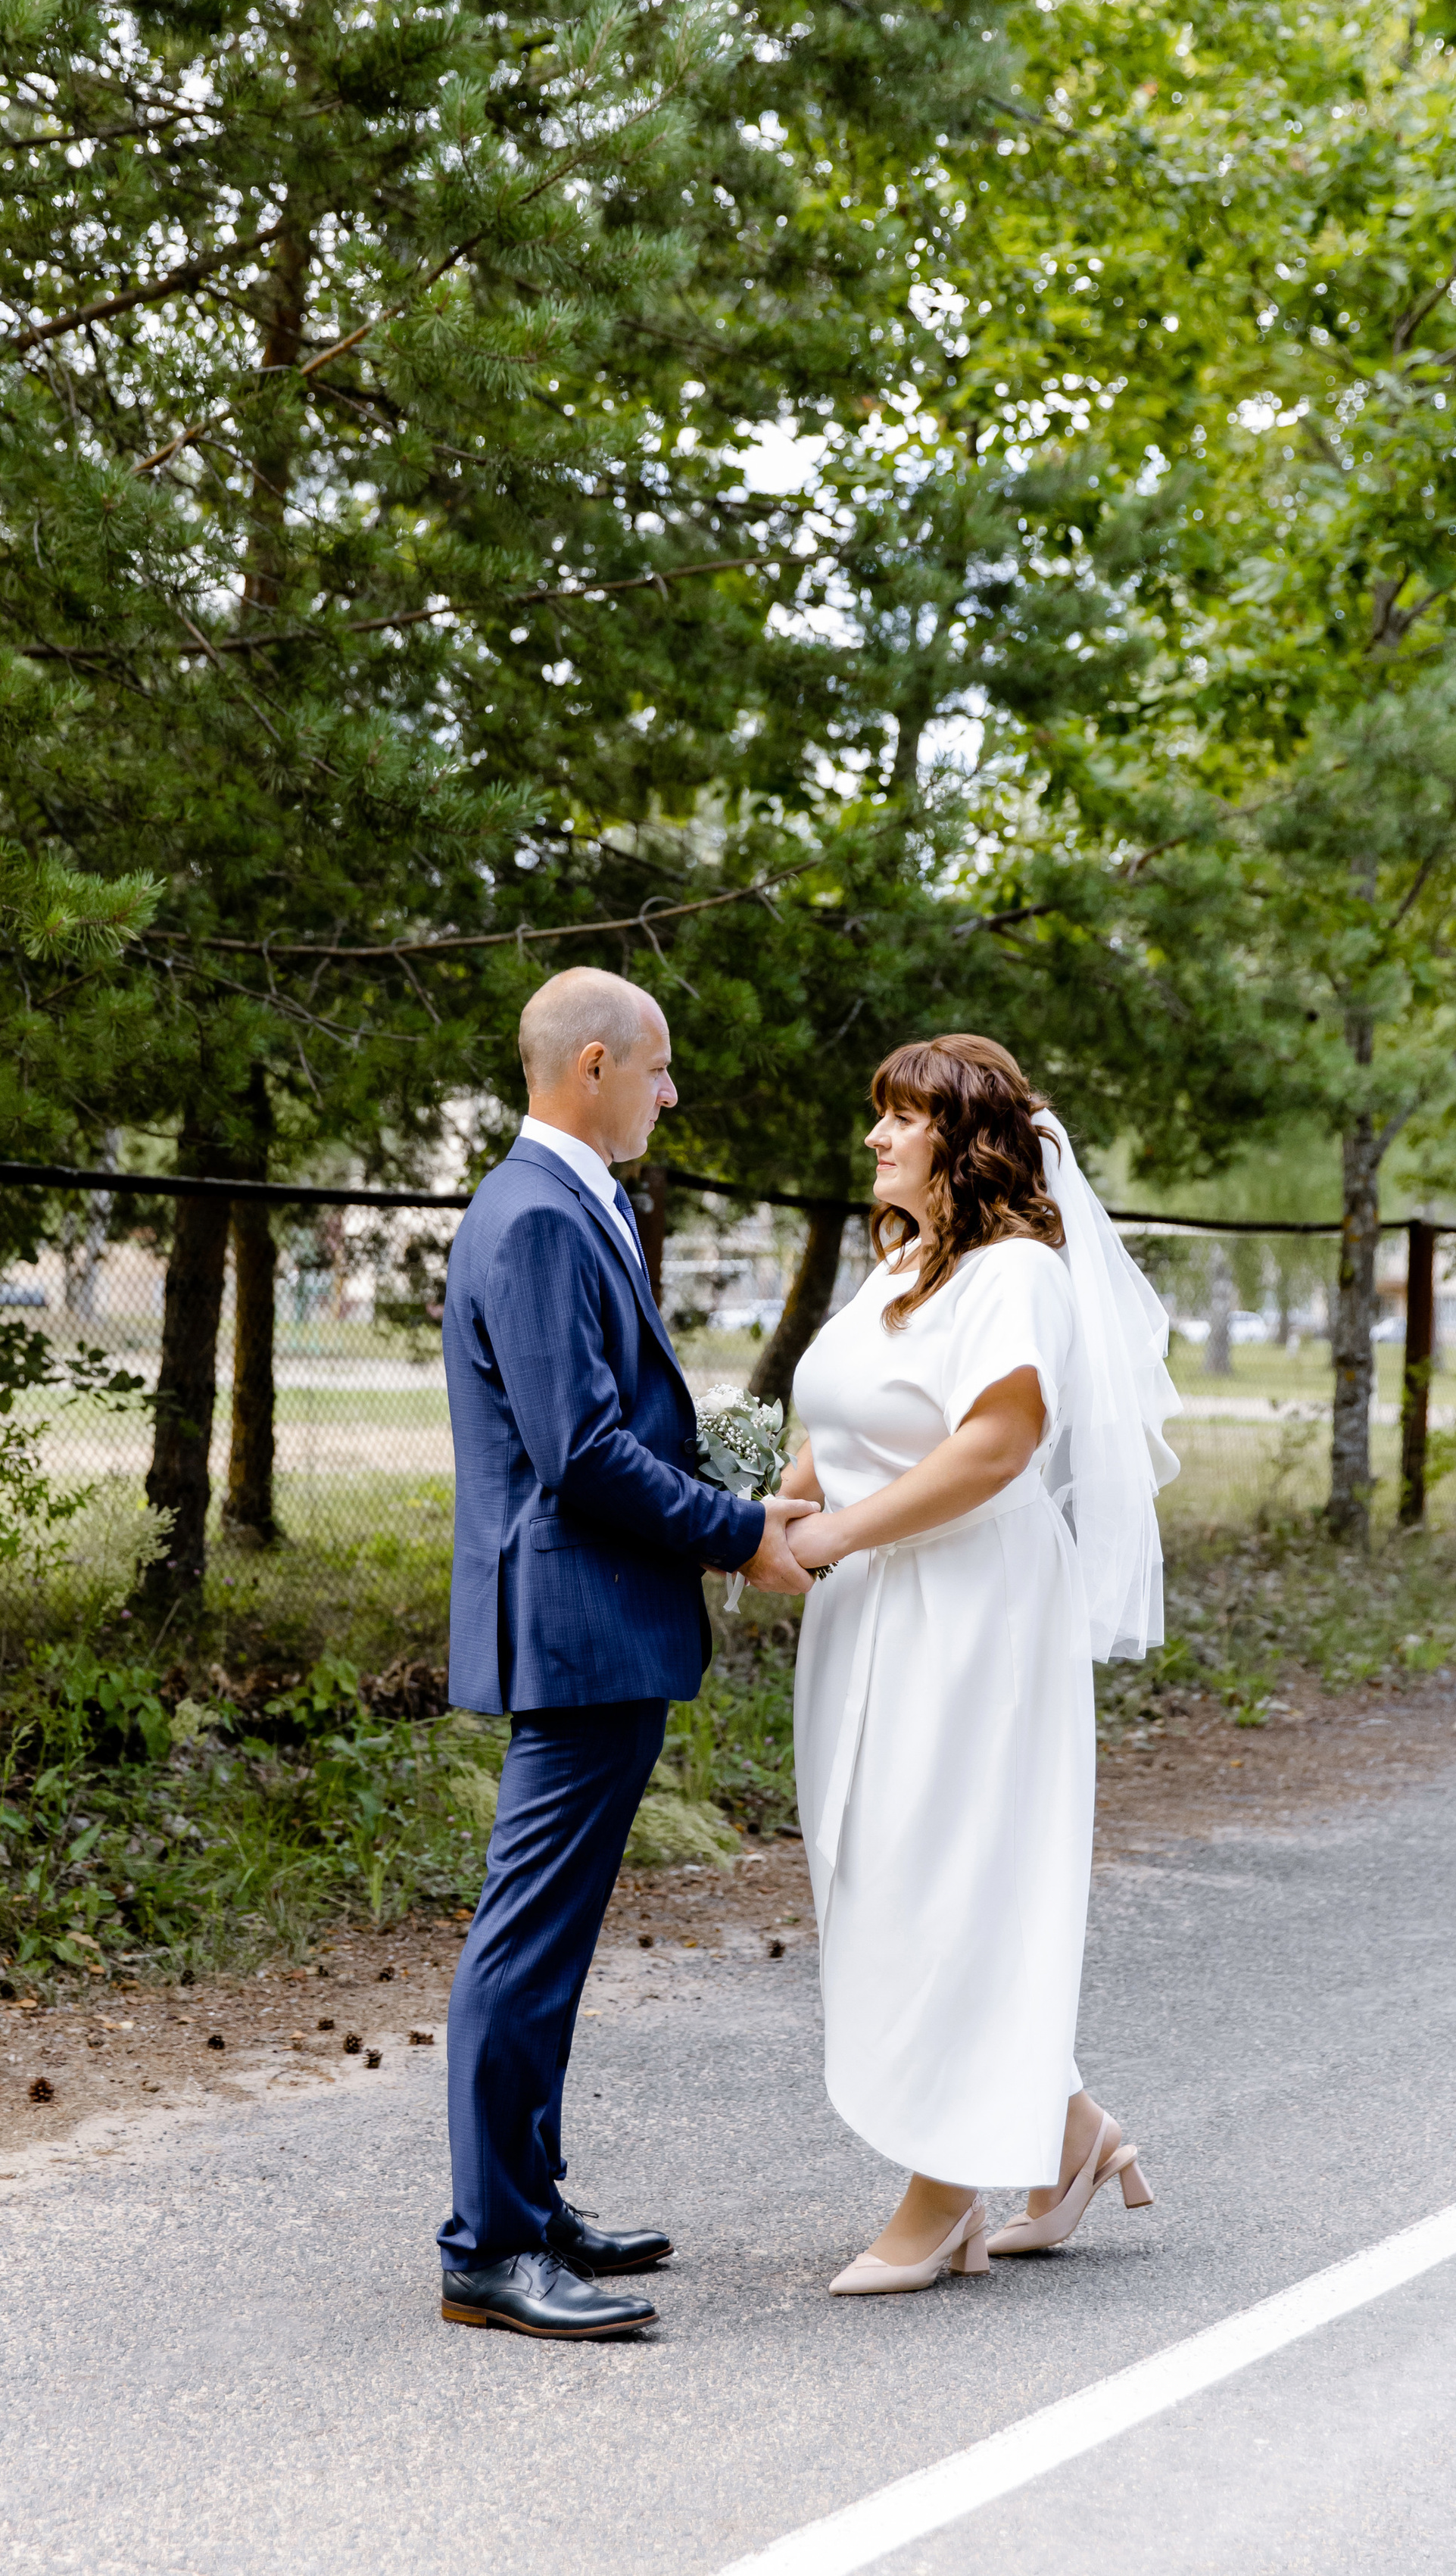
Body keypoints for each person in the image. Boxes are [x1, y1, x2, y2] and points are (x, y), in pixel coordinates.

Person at [438, 965, 816, 2339]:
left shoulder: (562, 1200)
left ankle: (530, 2206)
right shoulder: (539, 1213)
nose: (671, 1091)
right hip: (577, 1621)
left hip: (595, 1623)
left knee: (551, 1938)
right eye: (657, 1067)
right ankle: (489, 2246)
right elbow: (582, 1453)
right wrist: (739, 1531)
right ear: (590, 1065)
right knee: (527, 1939)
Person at [781, 1034, 1180, 2293]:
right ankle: (1068, 2136)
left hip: (972, 1613)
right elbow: (838, 1417)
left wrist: (835, 1533)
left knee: (946, 1880)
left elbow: (997, 1446)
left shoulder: (1018, 1274)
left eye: (901, 1117)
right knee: (877, 1870)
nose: (875, 1137)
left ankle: (943, 2193)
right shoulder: (900, 1265)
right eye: (879, 1114)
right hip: (870, 1610)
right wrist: (773, 1508)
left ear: (963, 1140)